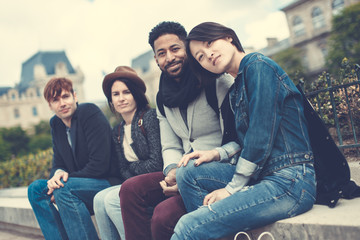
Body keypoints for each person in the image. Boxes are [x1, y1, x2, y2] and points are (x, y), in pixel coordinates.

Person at [170, 22, 316, 240]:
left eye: (210, 43)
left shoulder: (258, 66)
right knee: (188, 172)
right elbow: (244, 141)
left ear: (228, 37)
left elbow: (260, 136)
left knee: (188, 227)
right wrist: (215, 153)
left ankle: (203, 226)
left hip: (290, 181)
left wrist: (230, 189)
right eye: (200, 57)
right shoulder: (236, 89)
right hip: (265, 174)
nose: (208, 55)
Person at [119, 21, 240, 240]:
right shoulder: (162, 98)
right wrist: (172, 171)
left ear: (187, 48)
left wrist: (185, 180)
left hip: (218, 170)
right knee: (130, 189)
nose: (170, 58)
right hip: (184, 168)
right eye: (161, 53)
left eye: (175, 49)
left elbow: (236, 140)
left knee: (163, 216)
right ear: (156, 60)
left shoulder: (216, 82)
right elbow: (171, 144)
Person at [28, 77, 121, 240]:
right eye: (55, 100)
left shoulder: (89, 113)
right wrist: (56, 176)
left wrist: (64, 180)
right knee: (35, 190)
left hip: (107, 181)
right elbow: (58, 163)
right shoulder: (56, 124)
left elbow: (100, 165)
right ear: (50, 105)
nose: (62, 103)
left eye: (65, 97)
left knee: (63, 188)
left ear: (75, 96)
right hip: (77, 184)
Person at [93, 66, 163, 240]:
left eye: (126, 92)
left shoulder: (149, 118)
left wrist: (133, 167)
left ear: (136, 95)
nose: (121, 99)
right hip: (134, 183)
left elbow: (156, 164)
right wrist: (134, 168)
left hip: (158, 181)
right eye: (115, 94)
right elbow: (122, 169)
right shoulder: (117, 130)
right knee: (99, 199)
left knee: (111, 200)